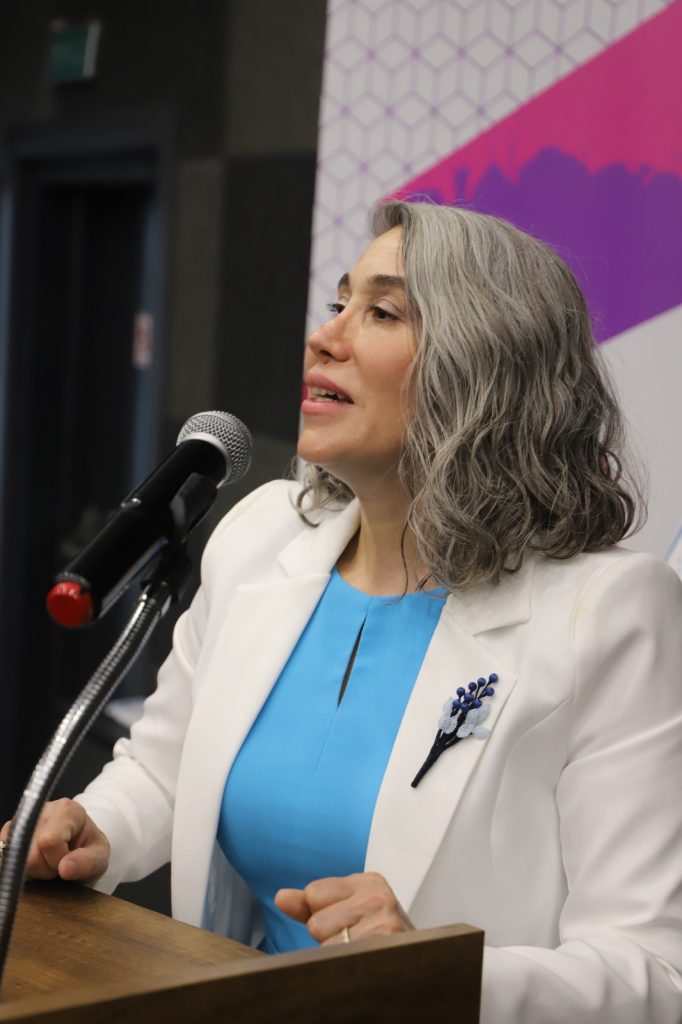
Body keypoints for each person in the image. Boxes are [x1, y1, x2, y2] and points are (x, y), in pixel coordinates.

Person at [3, 201, 681, 1023]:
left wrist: (438, 974)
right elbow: (164, 769)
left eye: (382, 312)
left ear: (484, 367)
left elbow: (652, 971)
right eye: (338, 303)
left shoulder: (610, 614)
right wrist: (95, 829)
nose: (325, 337)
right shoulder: (260, 535)